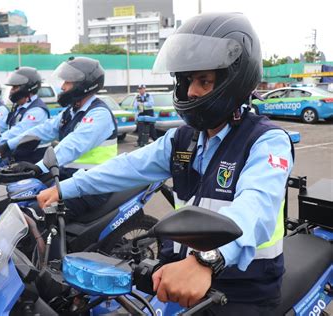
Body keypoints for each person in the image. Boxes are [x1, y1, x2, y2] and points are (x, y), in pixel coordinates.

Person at [37, 12, 294, 315]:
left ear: (234, 81)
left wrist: (208, 259)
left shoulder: (266, 141)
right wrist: (65, 188)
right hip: (178, 278)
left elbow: (257, 207)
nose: (191, 91)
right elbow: (127, 166)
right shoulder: (182, 140)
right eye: (186, 81)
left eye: (204, 80)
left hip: (243, 291)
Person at [2, 56, 118, 219]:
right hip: (69, 179)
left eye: (67, 82)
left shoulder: (99, 114)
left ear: (83, 85)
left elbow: (73, 145)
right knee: (22, 200)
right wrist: (8, 144)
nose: (62, 87)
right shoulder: (71, 111)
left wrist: (39, 166)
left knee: (39, 216)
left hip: (93, 185)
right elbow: (44, 129)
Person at [0, 67, 50, 163]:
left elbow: (18, 131)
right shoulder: (18, 107)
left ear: (27, 87)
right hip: (16, 157)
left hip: (31, 162)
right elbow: (2, 125)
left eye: (15, 87)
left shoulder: (37, 111)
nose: (11, 91)